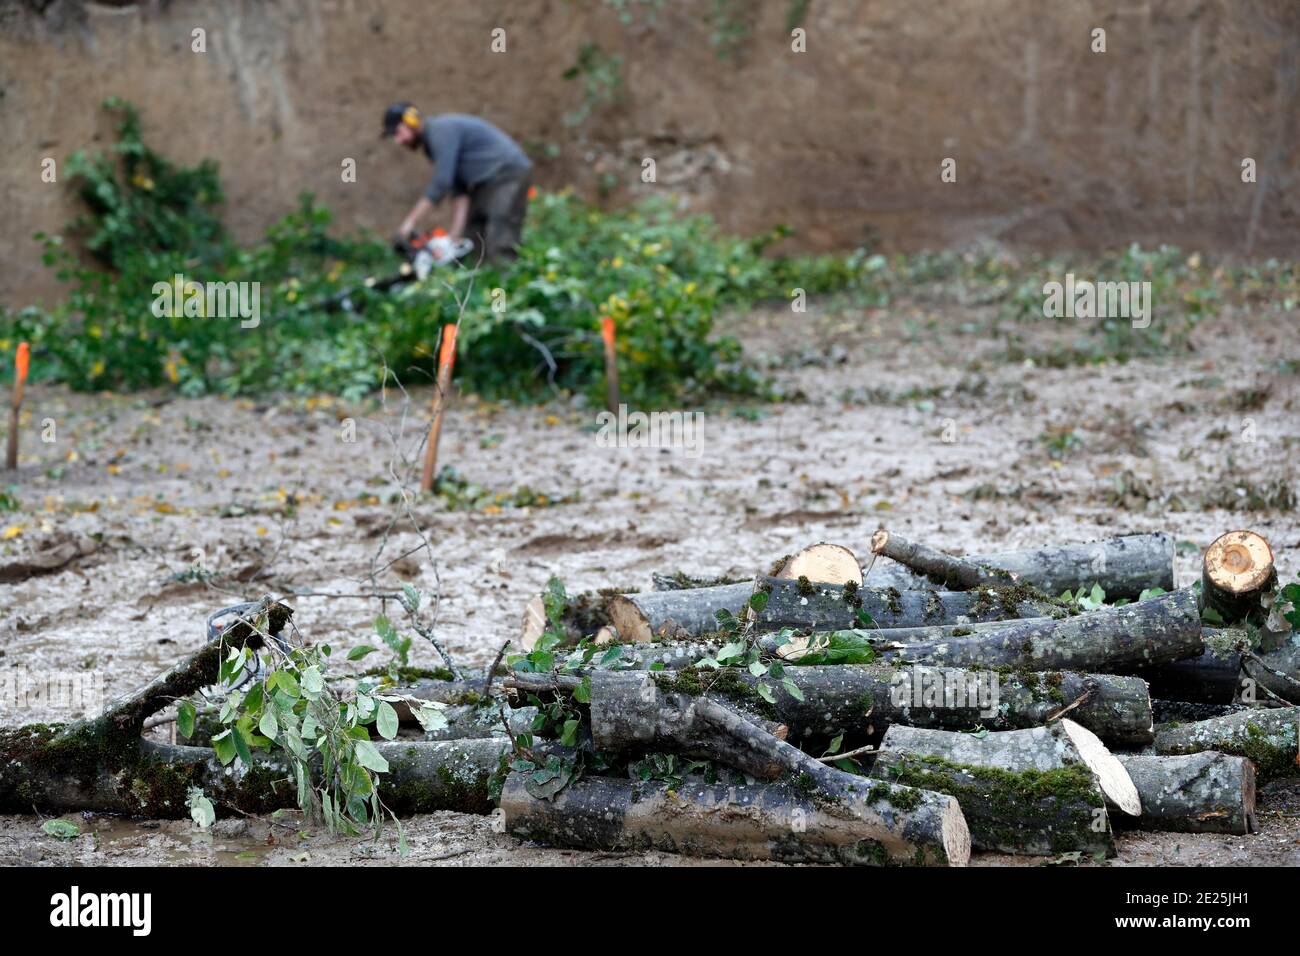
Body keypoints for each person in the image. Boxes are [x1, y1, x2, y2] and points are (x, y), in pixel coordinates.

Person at [381, 102, 532, 263]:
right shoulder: (431, 144)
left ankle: (507, 283)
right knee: (473, 238)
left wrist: (409, 223)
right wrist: (455, 236)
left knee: (501, 236)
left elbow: (441, 183)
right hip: (487, 182)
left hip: (507, 174)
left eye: (398, 132)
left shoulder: (440, 132)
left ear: (412, 121)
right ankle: (481, 282)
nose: (398, 141)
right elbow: (459, 191)